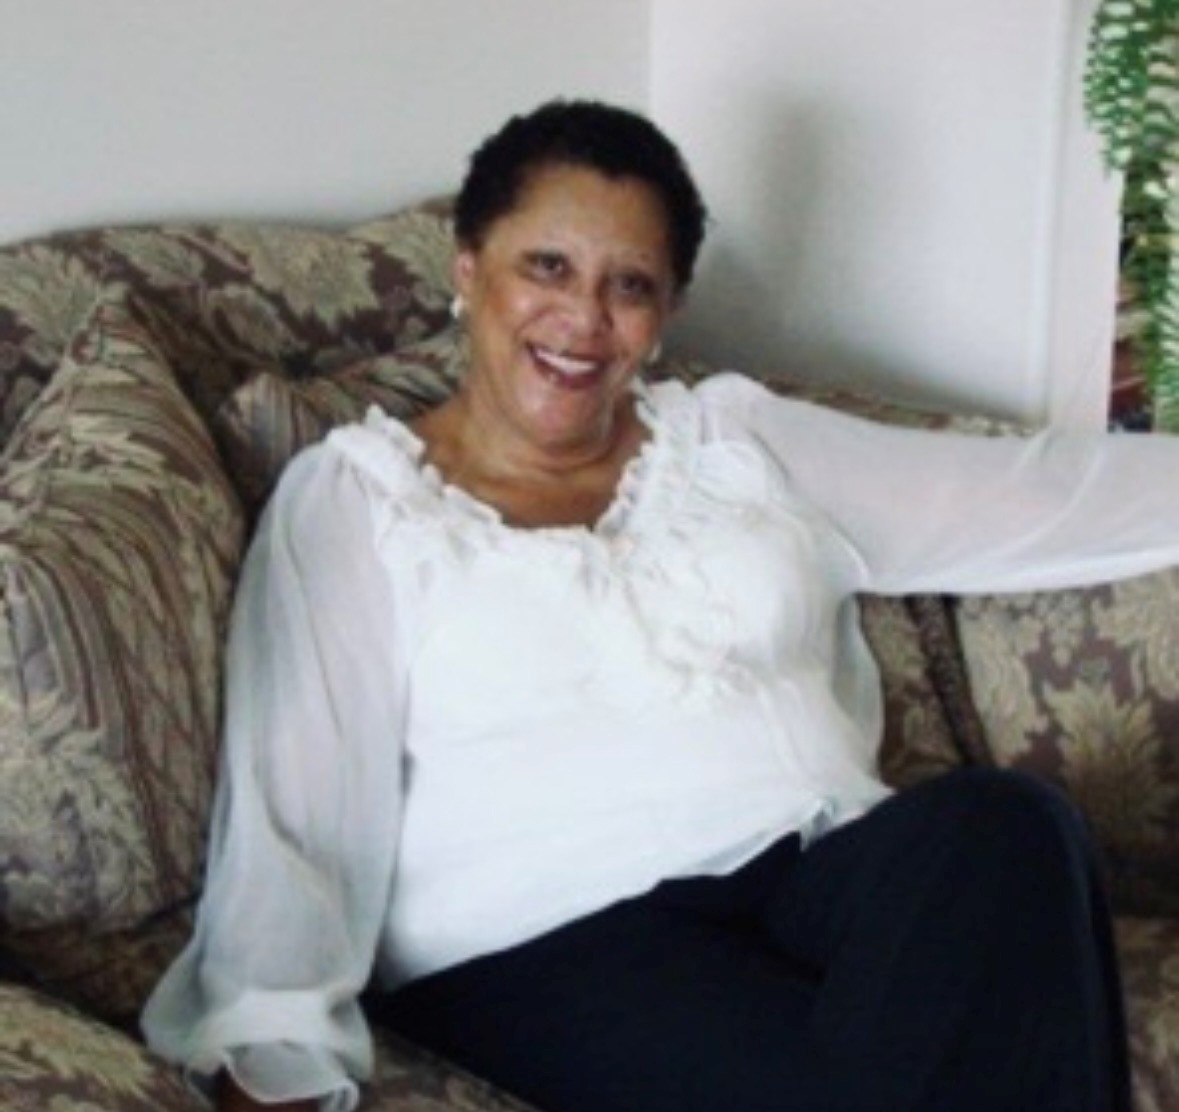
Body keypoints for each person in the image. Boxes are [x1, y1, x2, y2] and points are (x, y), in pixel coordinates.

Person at [142, 99, 1179, 1112]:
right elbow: (296, 813)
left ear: (665, 311)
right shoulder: (358, 499)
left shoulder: (735, 441)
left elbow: (1033, 494)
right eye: (547, 266)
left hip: (816, 874)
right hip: (546, 939)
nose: (583, 317)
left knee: (1010, 826)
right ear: (468, 266)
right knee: (873, 1083)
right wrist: (273, 1054)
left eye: (629, 284)